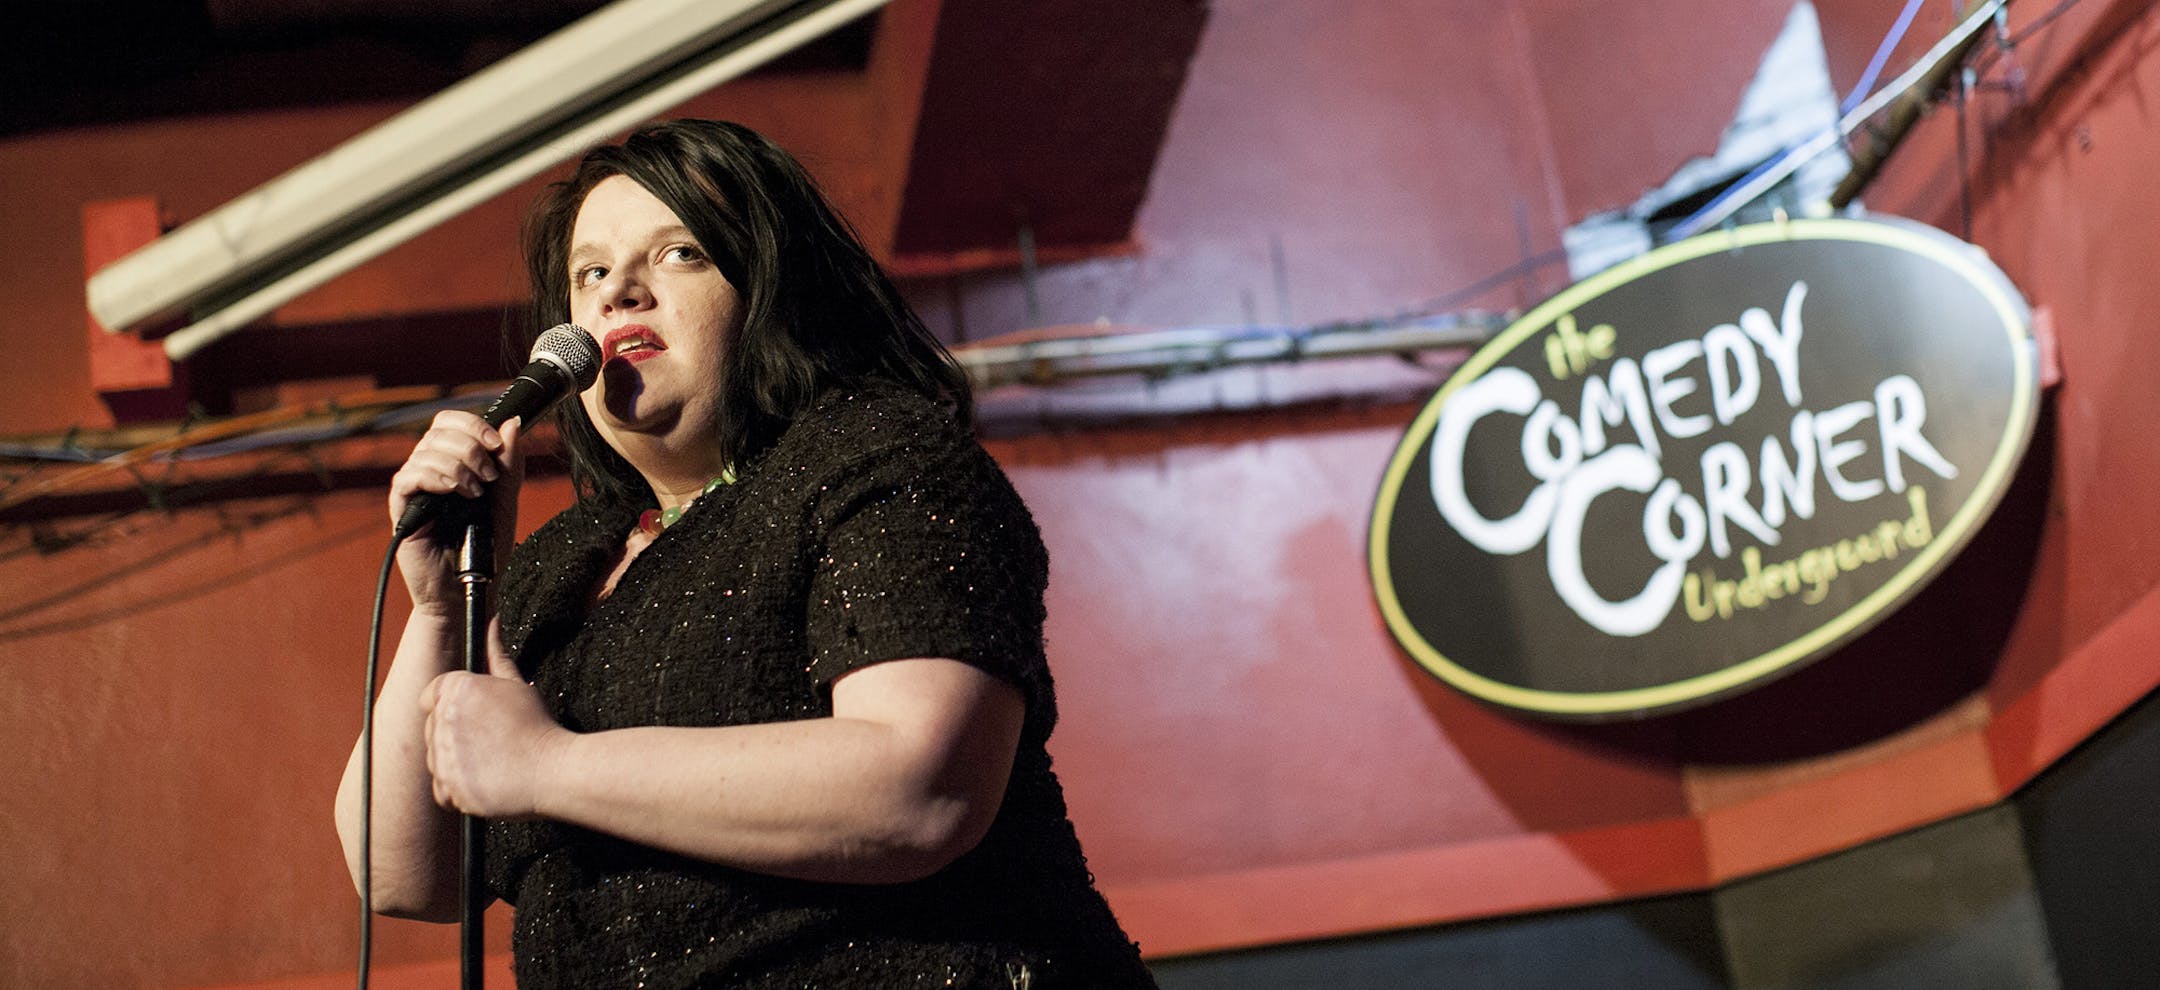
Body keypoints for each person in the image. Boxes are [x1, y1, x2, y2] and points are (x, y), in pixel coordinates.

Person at [334, 119, 1156, 989]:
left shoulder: (876, 456)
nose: (621, 294)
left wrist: (549, 767)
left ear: (772, 289)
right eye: (592, 272)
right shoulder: (552, 567)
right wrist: (445, 610)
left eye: (680, 253)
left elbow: (922, 788)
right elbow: (404, 875)